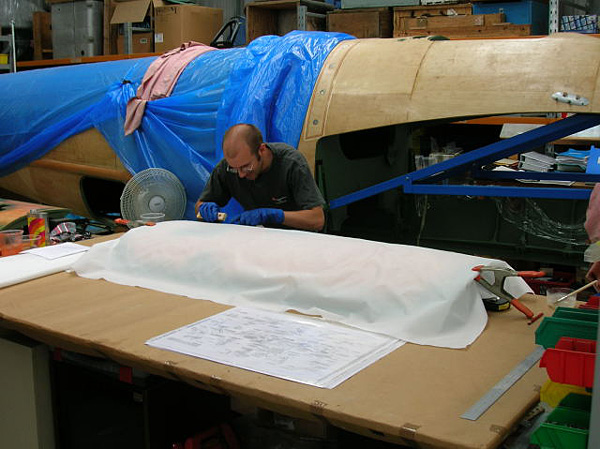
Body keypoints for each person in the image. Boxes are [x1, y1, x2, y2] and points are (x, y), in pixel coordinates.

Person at [195, 124, 325, 231]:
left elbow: (317, 220)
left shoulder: (291, 164)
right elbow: (199, 205)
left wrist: (275, 215)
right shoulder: (227, 168)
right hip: (260, 237)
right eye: (234, 168)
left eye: (246, 166)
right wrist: (204, 209)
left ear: (261, 150)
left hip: (297, 239)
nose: (241, 174)